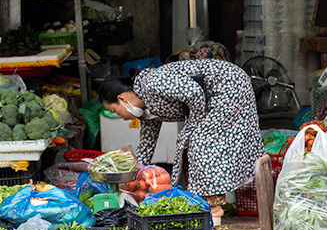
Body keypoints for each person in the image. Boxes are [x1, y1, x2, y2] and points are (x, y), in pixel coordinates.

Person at [99, 59, 265, 219]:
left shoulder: (151, 82)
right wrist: (135, 177)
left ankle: (213, 208)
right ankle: (200, 200)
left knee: (200, 141)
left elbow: (194, 93)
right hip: (214, 95)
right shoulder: (146, 110)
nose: (119, 116)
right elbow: (146, 145)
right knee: (192, 139)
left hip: (228, 85)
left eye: (115, 111)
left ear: (122, 99)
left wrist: (192, 127)